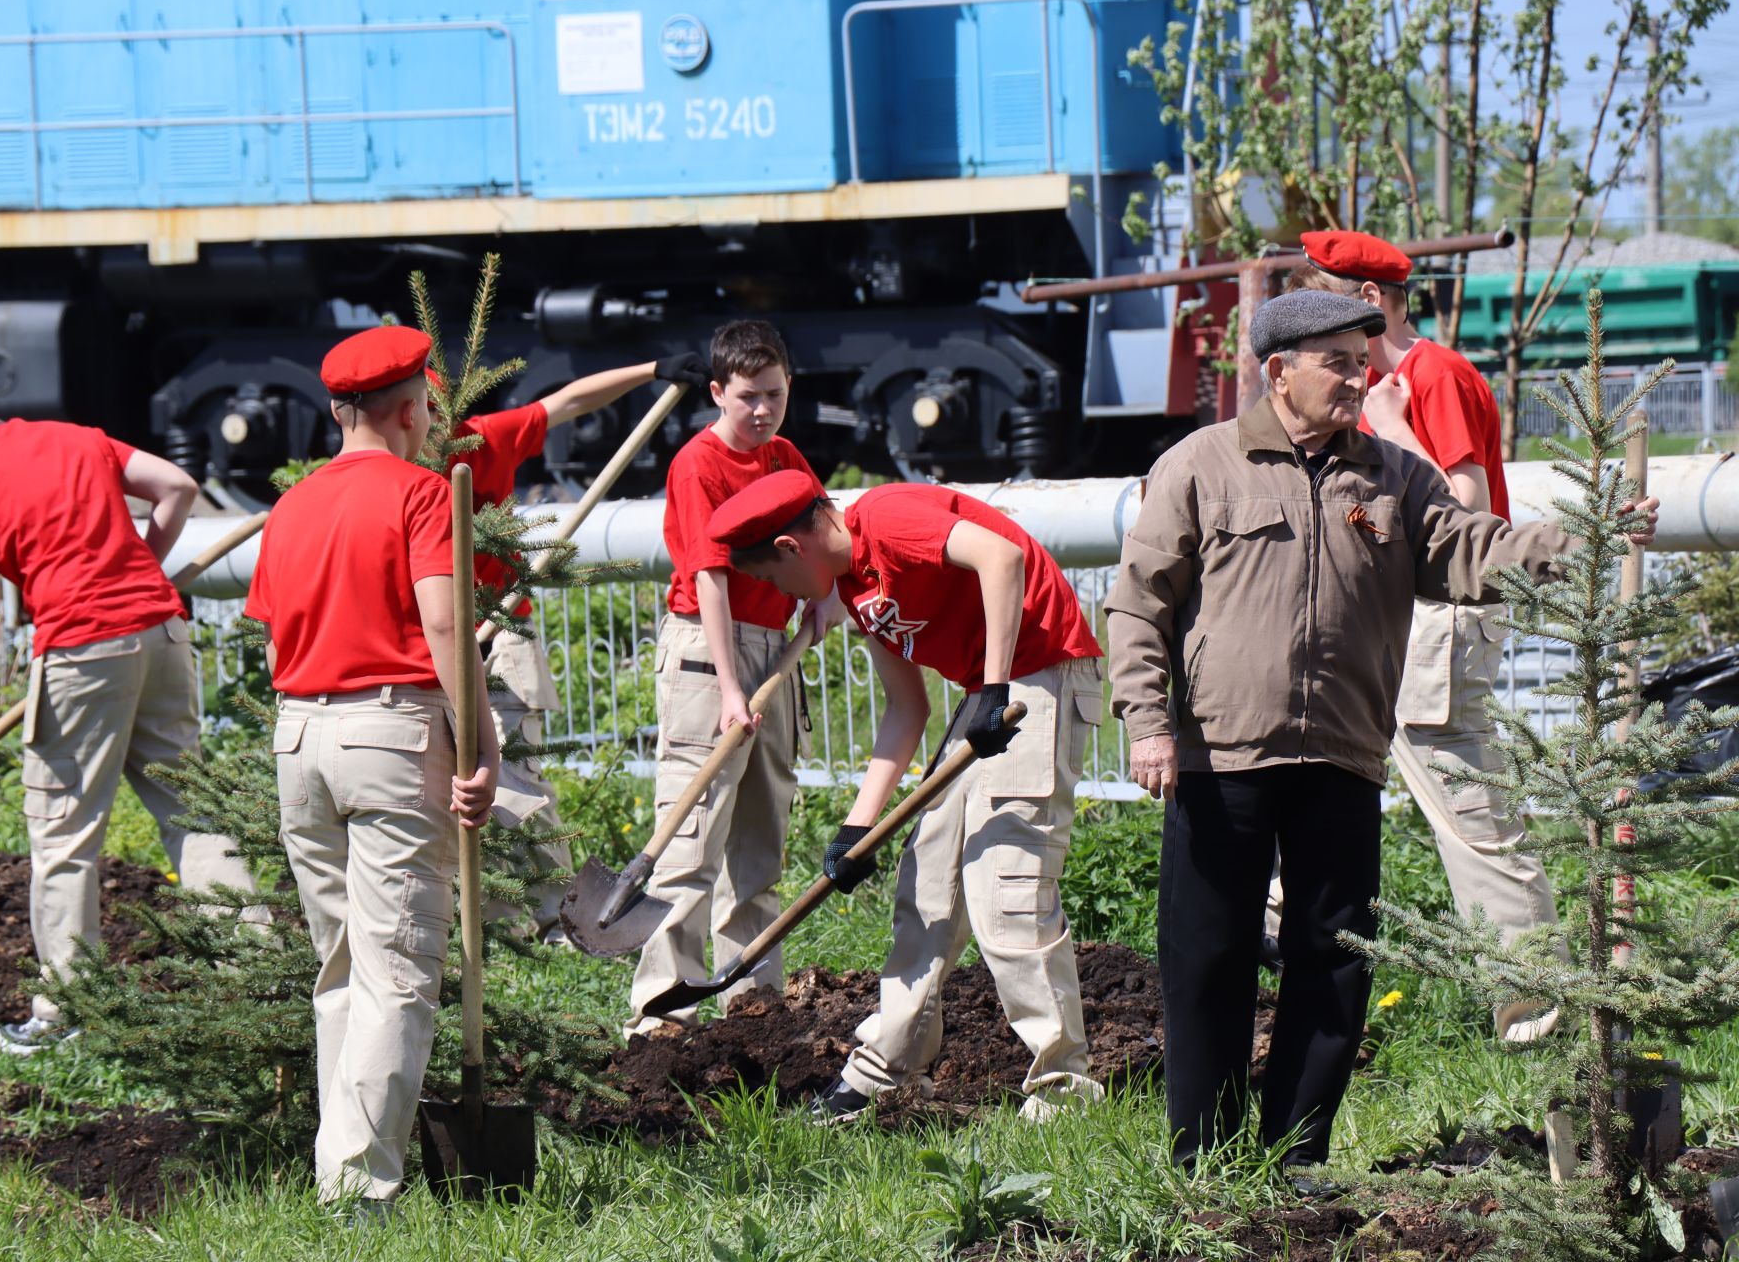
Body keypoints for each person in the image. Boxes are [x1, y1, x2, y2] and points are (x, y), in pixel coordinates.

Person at [1103, 291, 1659, 1171]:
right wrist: (1147, 724)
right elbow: (1139, 605)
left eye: (1361, 361)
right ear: (1278, 371)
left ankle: (1294, 1158)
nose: (1358, 378)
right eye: (1336, 362)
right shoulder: (1201, 465)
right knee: (1208, 959)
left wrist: (1582, 540)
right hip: (1219, 755)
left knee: (1335, 960)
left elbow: (1472, 550)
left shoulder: (1395, 476)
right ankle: (1202, 1163)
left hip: (1344, 755)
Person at [0, 368, 259, 1057]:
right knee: (193, 812)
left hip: (84, 653)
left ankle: (69, 1012)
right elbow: (177, 487)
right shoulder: (75, 438)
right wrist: (143, 569)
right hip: (162, 633)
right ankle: (259, 971)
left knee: (63, 838)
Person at [711, 470, 1107, 1122]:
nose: (782, 595)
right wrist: (856, 830)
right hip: (990, 693)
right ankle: (884, 1070)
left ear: (790, 546)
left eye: (773, 580)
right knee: (925, 885)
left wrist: (996, 688)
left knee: (1007, 886)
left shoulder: (888, 520)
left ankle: (1064, 1091)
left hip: (1042, 671)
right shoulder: (853, 588)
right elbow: (907, 707)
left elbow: (1001, 557)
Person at [1264, 229, 1563, 1041]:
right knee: (1326, 762)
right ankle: (1282, 926)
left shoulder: (1434, 375)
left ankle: (1535, 1001)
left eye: (1320, 300)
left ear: (1369, 302)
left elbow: (1467, 515)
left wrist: (1390, 430)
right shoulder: (1367, 388)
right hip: (1395, 609)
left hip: (1445, 611)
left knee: (1464, 797)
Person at [243, 326, 498, 1213]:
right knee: (397, 970)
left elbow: (274, 637)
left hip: (298, 739)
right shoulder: (422, 494)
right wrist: (481, 745)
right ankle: (357, 1195)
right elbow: (444, 624)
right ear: (410, 410)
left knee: (343, 968)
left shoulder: (292, 506)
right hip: (390, 738)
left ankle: (340, 1174)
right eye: (425, 405)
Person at [443, 352, 710, 943]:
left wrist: (652, 370)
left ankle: (562, 921)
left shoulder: (482, 438)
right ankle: (496, 928)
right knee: (449, 787)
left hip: (499, 637)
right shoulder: (390, 469)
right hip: (428, 645)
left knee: (514, 782)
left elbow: (566, 401)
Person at [624, 321, 835, 1040]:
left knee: (757, 845)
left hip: (775, 651)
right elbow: (709, 578)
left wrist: (826, 597)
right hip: (707, 656)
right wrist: (730, 689)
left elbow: (822, 529)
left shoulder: (784, 456)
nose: (763, 410)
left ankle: (753, 1003)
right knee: (691, 841)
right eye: (748, 397)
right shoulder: (698, 465)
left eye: (775, 394)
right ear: (717, 392)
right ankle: (662, 1011)